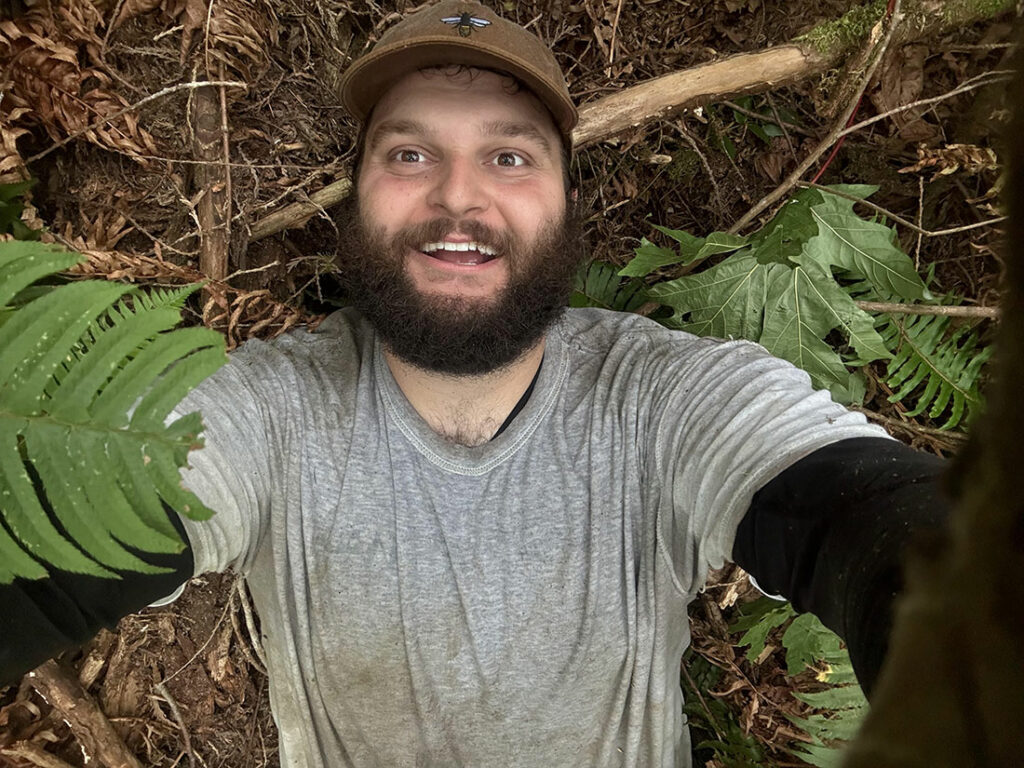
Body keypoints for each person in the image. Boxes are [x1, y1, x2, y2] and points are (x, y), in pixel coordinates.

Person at [0, 2, 950, 766]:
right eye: (410, 154)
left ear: (568, 198)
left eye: (509, 156)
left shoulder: (661, 400)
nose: (458, 196)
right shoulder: (271, 413)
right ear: (357, 193)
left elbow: (864, 517)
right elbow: (77, 516)